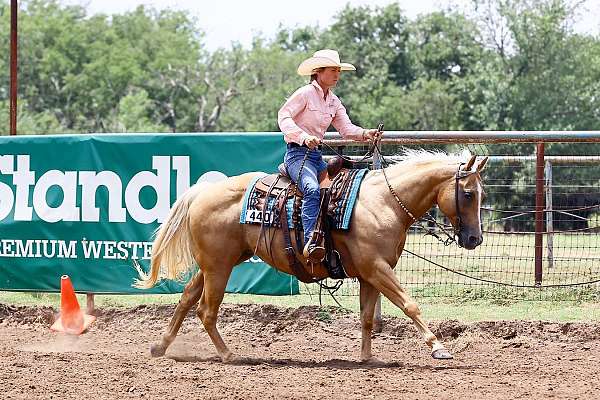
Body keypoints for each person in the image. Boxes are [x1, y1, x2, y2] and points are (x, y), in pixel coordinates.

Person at [278, 49, 380, 263]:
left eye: (338, 70)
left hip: (315, 157)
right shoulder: (304, 93)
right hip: (297, 155)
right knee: (312, 189)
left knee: (335, 193)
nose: (337, 74)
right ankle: (310, 242)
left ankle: (332, 241)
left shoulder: (333, 101)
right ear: (318, 72)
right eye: (333, 70)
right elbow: (284, 116)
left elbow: (346, 128)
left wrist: (364, 134)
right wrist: (303, 136)